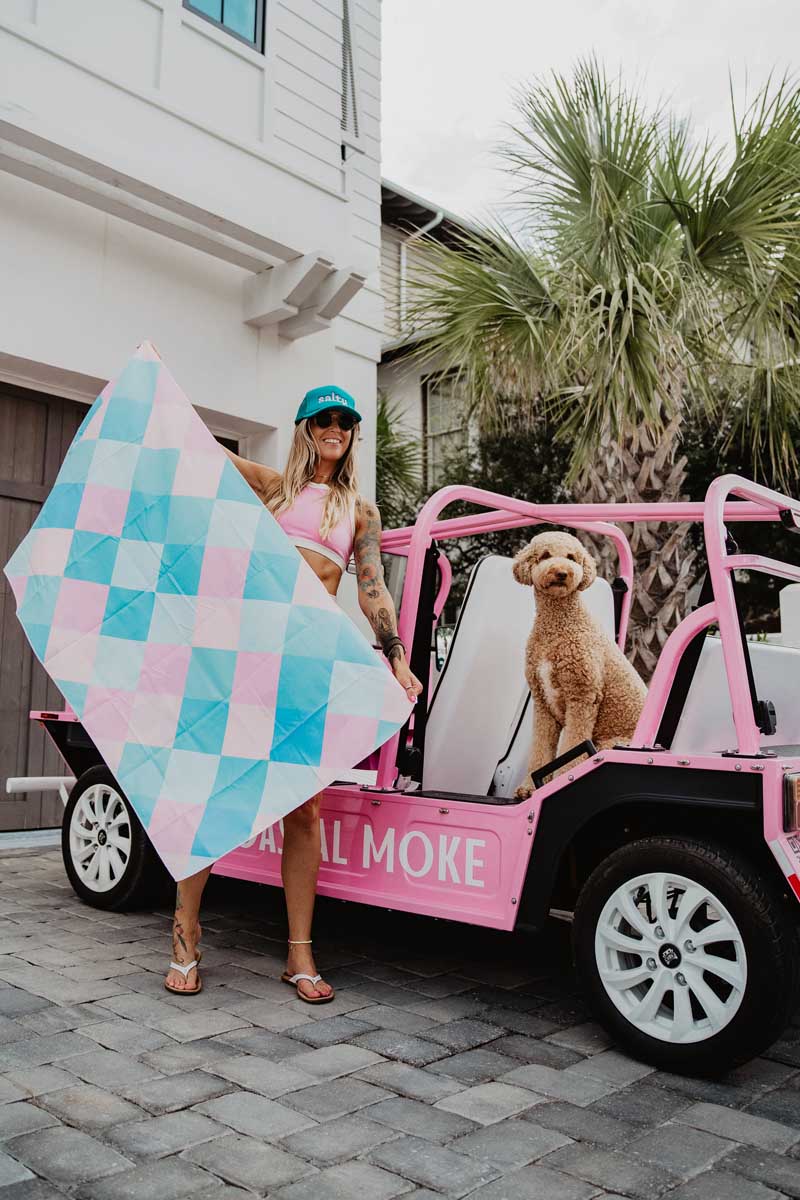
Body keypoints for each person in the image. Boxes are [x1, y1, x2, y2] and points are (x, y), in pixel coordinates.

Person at [165, 385, 423, 1002]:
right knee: (212, 795)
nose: (335, 428)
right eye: (323, 419)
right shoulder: (273, 488)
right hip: (245, 656)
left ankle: (299, 955)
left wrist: (396, 654)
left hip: (307, 662)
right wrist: (166, 396)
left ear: (352, 433)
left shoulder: (361, 511)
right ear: (305, 427)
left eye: (345, 421)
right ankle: (185, 938)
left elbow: (372, 590)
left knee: (304, 810)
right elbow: (204, 454)